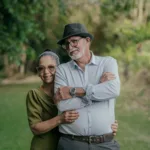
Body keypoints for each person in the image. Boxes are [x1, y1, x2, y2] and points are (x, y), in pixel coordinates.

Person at [54, 23, 120, 150]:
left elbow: (113, 90)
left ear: (87, 40)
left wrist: (75, 91)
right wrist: (99, 88)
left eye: (74, 41)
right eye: (66, 44)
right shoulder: (62, 70)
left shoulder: (108, 63)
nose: (70, 47)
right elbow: (62, 105)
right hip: (71, 144)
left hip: (105, 144)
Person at [26, 50, 79, 150]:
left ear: (59, 69)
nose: (46, 72)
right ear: (38, 72)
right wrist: (60, 119)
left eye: (51, 67)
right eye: (41, 68)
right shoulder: (34, 94)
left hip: (67, 146)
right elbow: (35, 128)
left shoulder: (69, 90)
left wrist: (108, 126)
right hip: (44, 146)